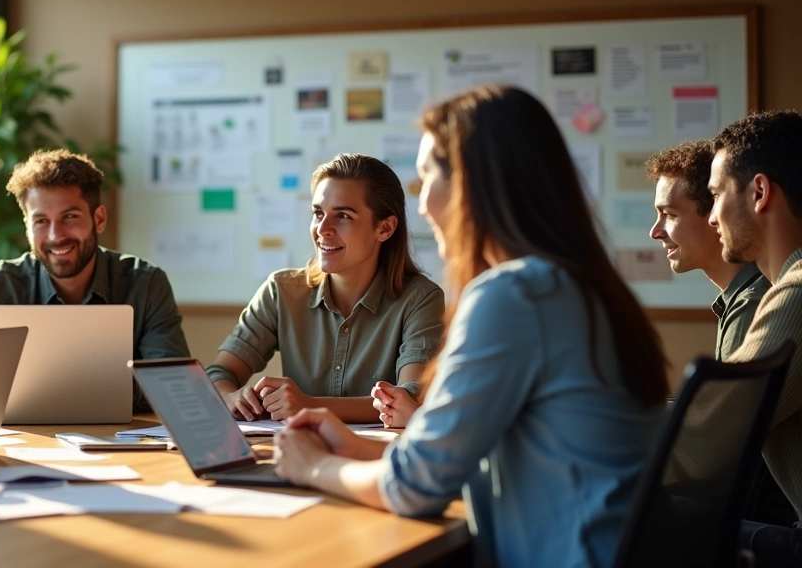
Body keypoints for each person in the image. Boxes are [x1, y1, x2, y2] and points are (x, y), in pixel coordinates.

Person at [272, 85, 669, 567]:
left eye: (426, 181)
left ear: (471, 184)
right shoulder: (584, 288)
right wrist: (354, 448)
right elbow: (462, 458)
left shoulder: (513, 296)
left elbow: (415, 489)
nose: (420, 208)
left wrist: (313, 465)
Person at [0, 148, 190, 411]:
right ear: (27, 225)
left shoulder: (145, 284)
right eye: (41, 221)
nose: (56, 235)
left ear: (99, 219)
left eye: (70, 217)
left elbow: (173, 385)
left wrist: (41, 391)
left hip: (123, 445)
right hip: (24, 446)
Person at [206, 153, 443, 424]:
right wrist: (231, 397)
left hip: (374, 459)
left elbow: (409, 397)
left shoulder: (421, 300)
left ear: (385, 228)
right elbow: (218, 373)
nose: (322, 229)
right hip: (293, 451)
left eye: (343, 215)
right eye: (318, 213)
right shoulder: (281, 291)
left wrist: (309, 405)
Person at [646, 139, 794, 527]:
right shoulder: (750, 296)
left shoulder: (764, 298)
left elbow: (710, 442)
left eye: (669, 214)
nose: (655, 231)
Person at [706, 110, 802, 567]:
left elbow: (710, 437)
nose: (711, 218)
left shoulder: (799, 292)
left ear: (759, 193)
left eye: (715, 195)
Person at [648, 140, 770, 361]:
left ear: (715, 214)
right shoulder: (738, 297)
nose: (655, 232)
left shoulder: (751, 305)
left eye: (669, 214)